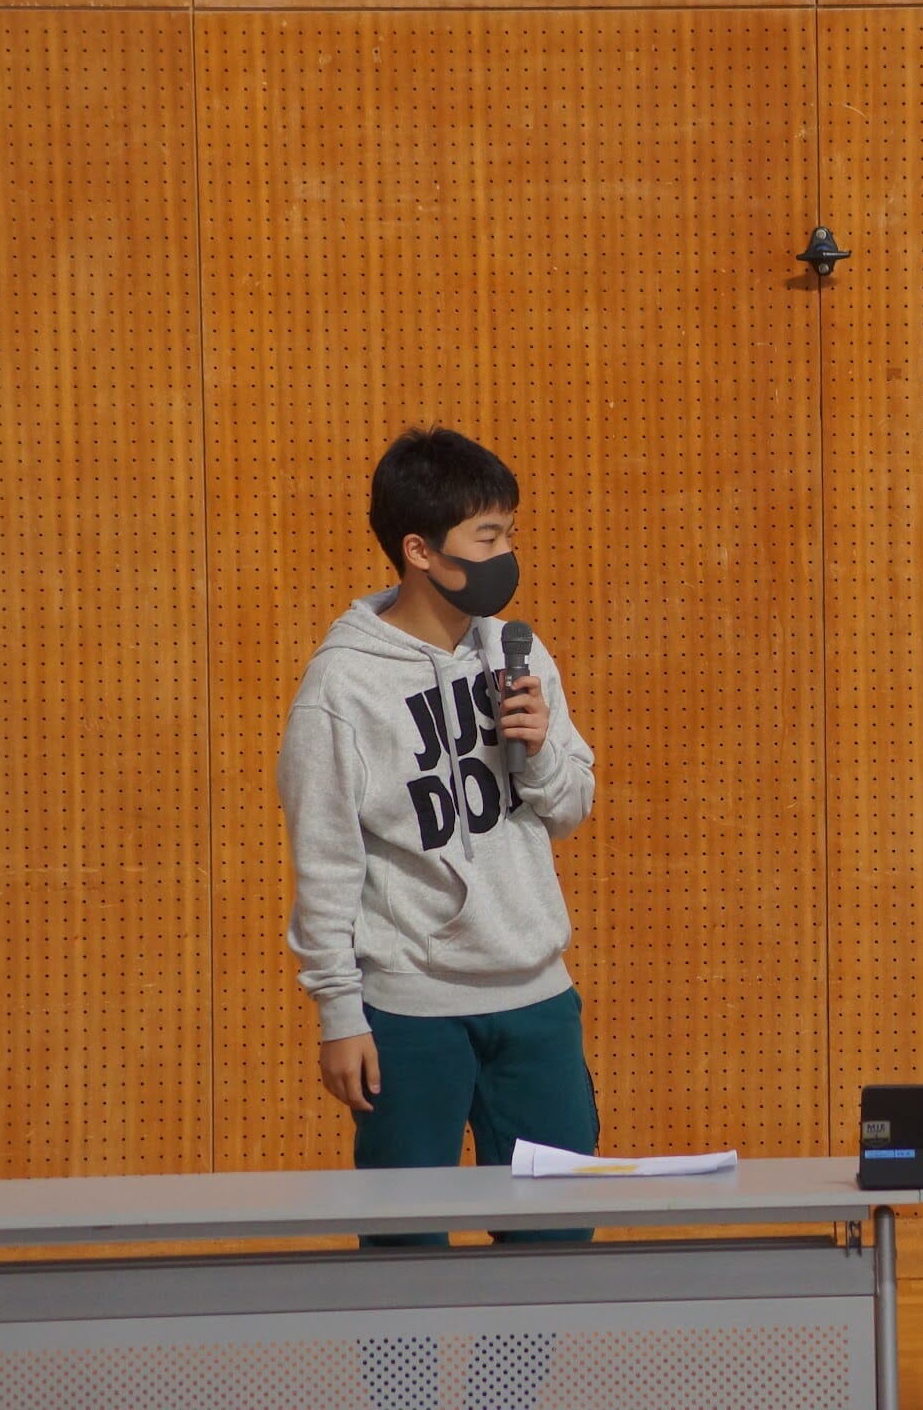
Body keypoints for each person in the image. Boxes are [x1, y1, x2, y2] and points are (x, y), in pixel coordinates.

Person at [279, 425, 599, 1250]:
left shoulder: (519, 654)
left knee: (556, 1242)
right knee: (405, 1251)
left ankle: (519, 1355)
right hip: (409, 1009)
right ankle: (408, 1357)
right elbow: (325, 861)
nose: (506, 555)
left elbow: (570, 807)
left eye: (510, 533)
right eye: (487, 538)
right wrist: (338, 1013)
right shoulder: (343, 686)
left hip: (536, 999)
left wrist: (538, 751)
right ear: (419, 550)